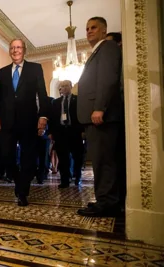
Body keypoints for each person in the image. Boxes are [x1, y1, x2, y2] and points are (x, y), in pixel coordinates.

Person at [0, 38, 49, 206]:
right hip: (7, 121)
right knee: (6, 156)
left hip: (29, 120)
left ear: (24, 50)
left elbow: (43, 93)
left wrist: (43, 116)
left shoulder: (35, 68)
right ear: (9, 51)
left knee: (28, 158)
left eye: (18, 47)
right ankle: (19, 182)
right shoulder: (2, 72)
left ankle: (22, 191)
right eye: (12, 48)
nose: (15, 50)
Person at [77, 17, 125, 217]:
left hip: (101, 116)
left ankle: (107, 203)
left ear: (104, 30)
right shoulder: (98, 50)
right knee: (100, 160)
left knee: (104, 161)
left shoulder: (108, 47)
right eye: (87, 28)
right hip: (96, 117)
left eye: (94, 27)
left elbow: (108, 79)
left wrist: (99, 108)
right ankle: (106, 199)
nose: (89, 31)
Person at [49, 80, 84, 188]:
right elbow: (52, 118)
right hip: (60, 133)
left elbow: (81, 116)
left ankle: (77, 176)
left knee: (77, 156)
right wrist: (51, 132)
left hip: (74, 131)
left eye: (66, 86)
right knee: (63, 157)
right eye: (62, 86)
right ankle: (65, 180)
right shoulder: (55, 102)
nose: (64, 88)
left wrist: (83, 131)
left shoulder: (78, 100)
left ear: (71, 86)